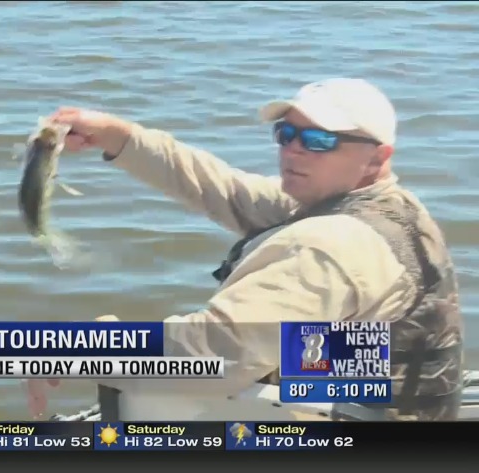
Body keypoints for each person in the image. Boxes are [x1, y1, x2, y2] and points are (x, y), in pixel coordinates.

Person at [26, 78, 464, 421]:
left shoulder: (331, 246)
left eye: (319, 141)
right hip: (382, 398)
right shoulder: (387, 207)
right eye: (286, 132)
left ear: (375, 157)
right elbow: (224, 189)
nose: (293, 148)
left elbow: (208, 355)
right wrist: (120, 137)